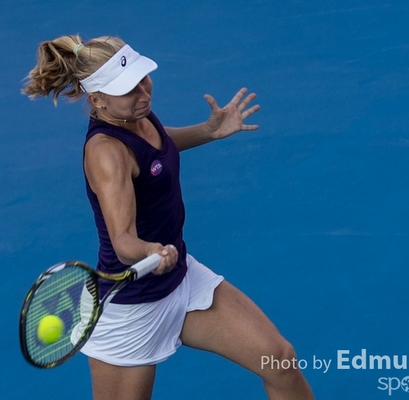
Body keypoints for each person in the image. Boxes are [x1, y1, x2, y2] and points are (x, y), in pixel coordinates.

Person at [22, 34, 314, 400]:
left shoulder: (135, 115)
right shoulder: (106, 153)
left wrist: (208, 131)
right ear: (97, 99)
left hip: (182, 280)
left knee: (280, 361)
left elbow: (156, 147)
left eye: (143, 79)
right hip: (132, 308)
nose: (143, 93)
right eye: (128, 89)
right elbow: (123, 240)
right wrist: (150, 250)